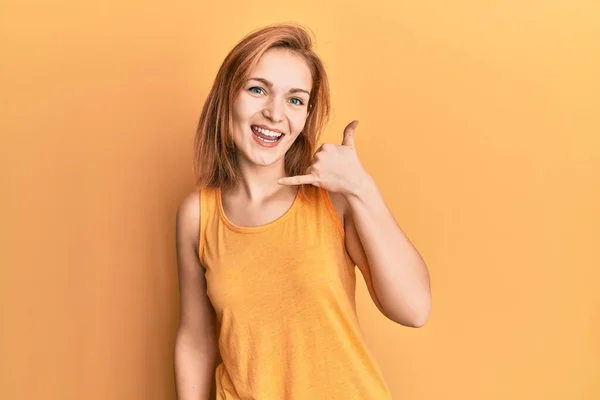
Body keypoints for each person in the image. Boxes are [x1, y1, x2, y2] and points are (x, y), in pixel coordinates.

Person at [174, 23, 432, 400]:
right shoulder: (197, 215)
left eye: (295, 99)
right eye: (257, 89)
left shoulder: (333, 200)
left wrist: (362, 188)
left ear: (306, 115)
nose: (275, 113)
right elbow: (195, 338)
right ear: (227, 97)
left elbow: (414, 310)